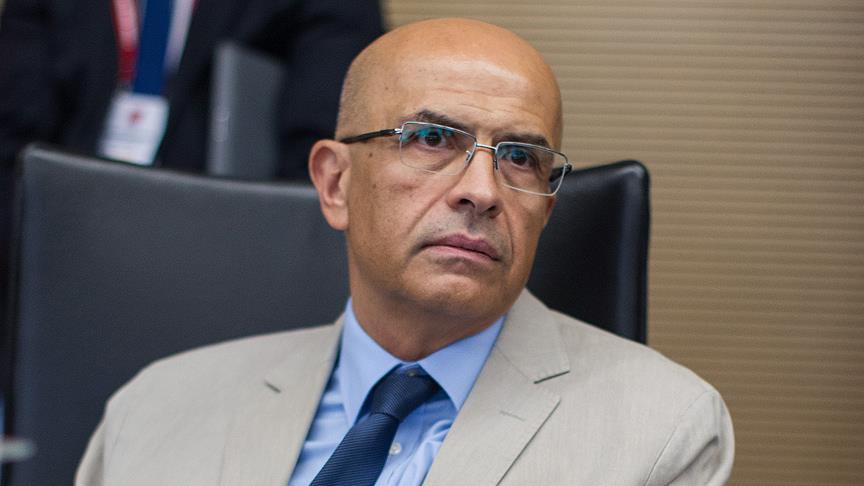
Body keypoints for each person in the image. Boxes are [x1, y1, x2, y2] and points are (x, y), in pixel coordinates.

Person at [76, 18, 734, 485]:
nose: (482, 191)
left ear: (545, 210)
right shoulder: (156, 409)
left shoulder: (662, 431)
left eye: (519, 158)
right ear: (335, 183)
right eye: (432, 139)